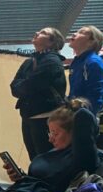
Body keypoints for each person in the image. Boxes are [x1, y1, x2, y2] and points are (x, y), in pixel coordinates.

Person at [10, 28, 66, 161]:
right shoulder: (29, 62)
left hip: (45, 119)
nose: (36, 33)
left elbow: (31, 85)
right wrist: (24, 86)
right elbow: (14, 87)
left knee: (46, 158)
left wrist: (24, 86)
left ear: (52, 42)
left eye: (43, 33)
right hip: (28, 116)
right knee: (34, 158)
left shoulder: (52, 61)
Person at [68, 25, 103, 150]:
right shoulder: (77, 62)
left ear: (92, 41)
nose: (74, 33)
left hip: (92, 116)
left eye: (81, 32)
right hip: (79, 114)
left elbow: (95, 96)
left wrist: (87, 122)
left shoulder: (93, 62)